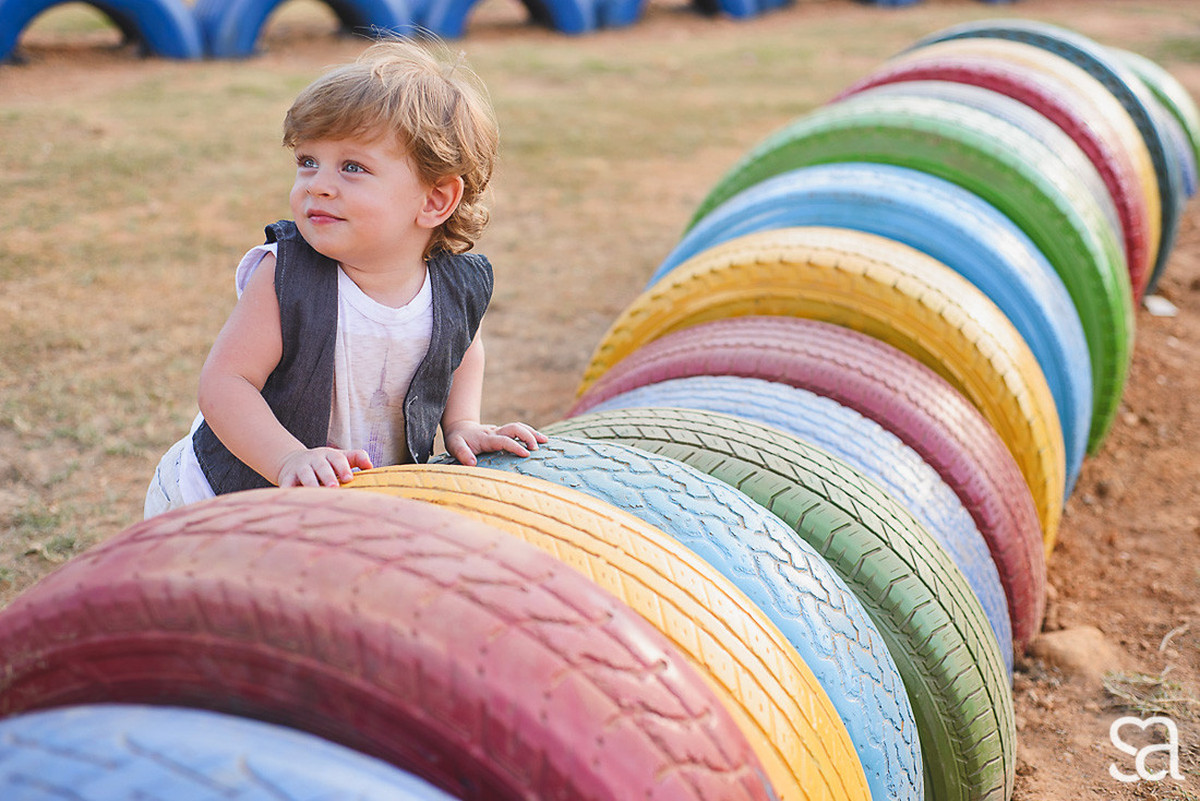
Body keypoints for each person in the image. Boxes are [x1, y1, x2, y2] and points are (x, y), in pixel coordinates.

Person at [144, 38, 545, 518]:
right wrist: (288, 457)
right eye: (307, 161)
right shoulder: (285, 276)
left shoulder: (457, 285)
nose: (318, 184)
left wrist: (461, 423)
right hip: (223, 499)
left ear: (435, 200)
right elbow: (226, 383)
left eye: (352, 167)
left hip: (345, 505)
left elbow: (463, 352)